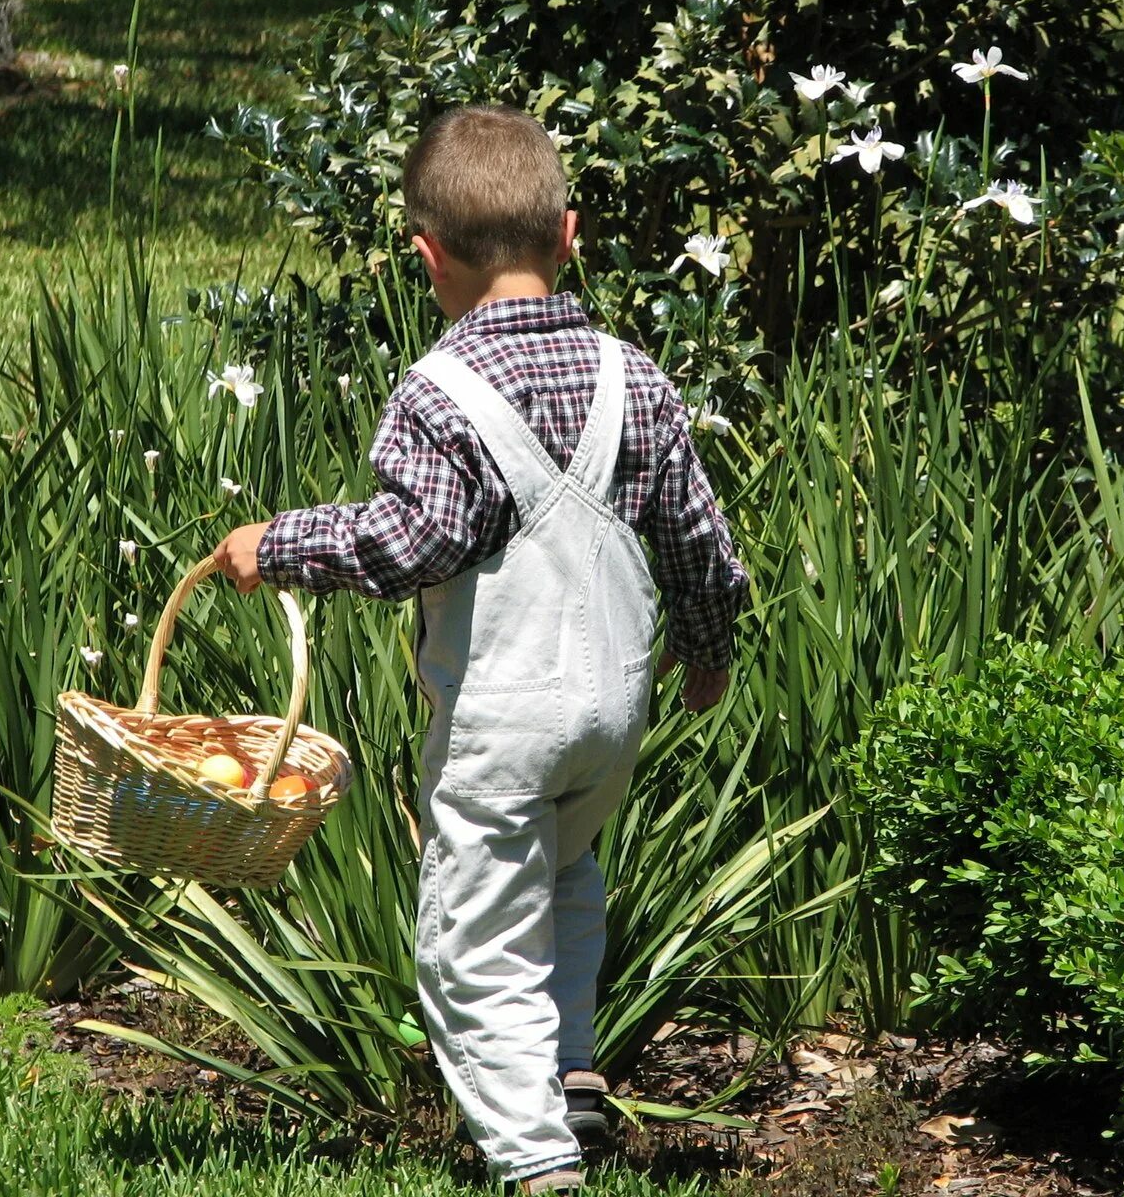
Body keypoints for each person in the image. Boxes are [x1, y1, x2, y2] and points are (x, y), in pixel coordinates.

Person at [213, 103, 749, 1195]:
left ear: (425, 256)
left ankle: (537, 1163)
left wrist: (285, 542)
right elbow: (699, 538)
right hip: (610, 713)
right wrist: (707, 652)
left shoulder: (440, 395)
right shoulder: (630, 378)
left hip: (504, 720)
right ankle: (568, 1071)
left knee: (469, 939)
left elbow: (412, 540)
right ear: (571, 234)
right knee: (565, 877)